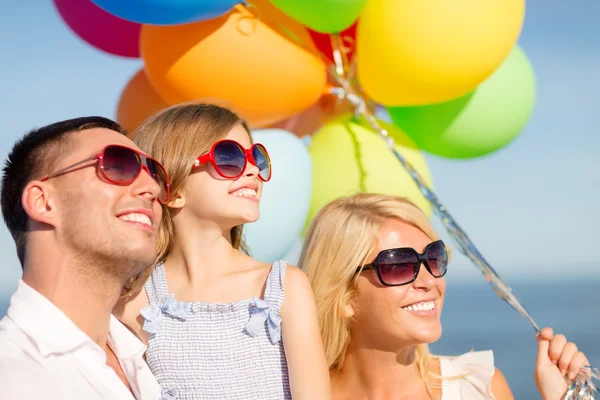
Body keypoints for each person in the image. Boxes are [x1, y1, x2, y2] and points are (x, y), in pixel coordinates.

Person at [115, 103, 330, 400]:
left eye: (256, 158)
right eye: (229, 158)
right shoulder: (133, 301)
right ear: (173, 189)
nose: (253, 169)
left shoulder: (282, 286)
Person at [299, 192, 590, 400]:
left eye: (433, 258)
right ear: (345, 297)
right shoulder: (292, 393)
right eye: (399, 265)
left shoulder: (479, 388)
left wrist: (563, 398)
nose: (430, 280)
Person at [0, 117, 170, 399]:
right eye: (117, 165)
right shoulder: (10, 373)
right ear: (43, 202)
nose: (152, 189)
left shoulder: (150, 359)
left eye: (153, 172)